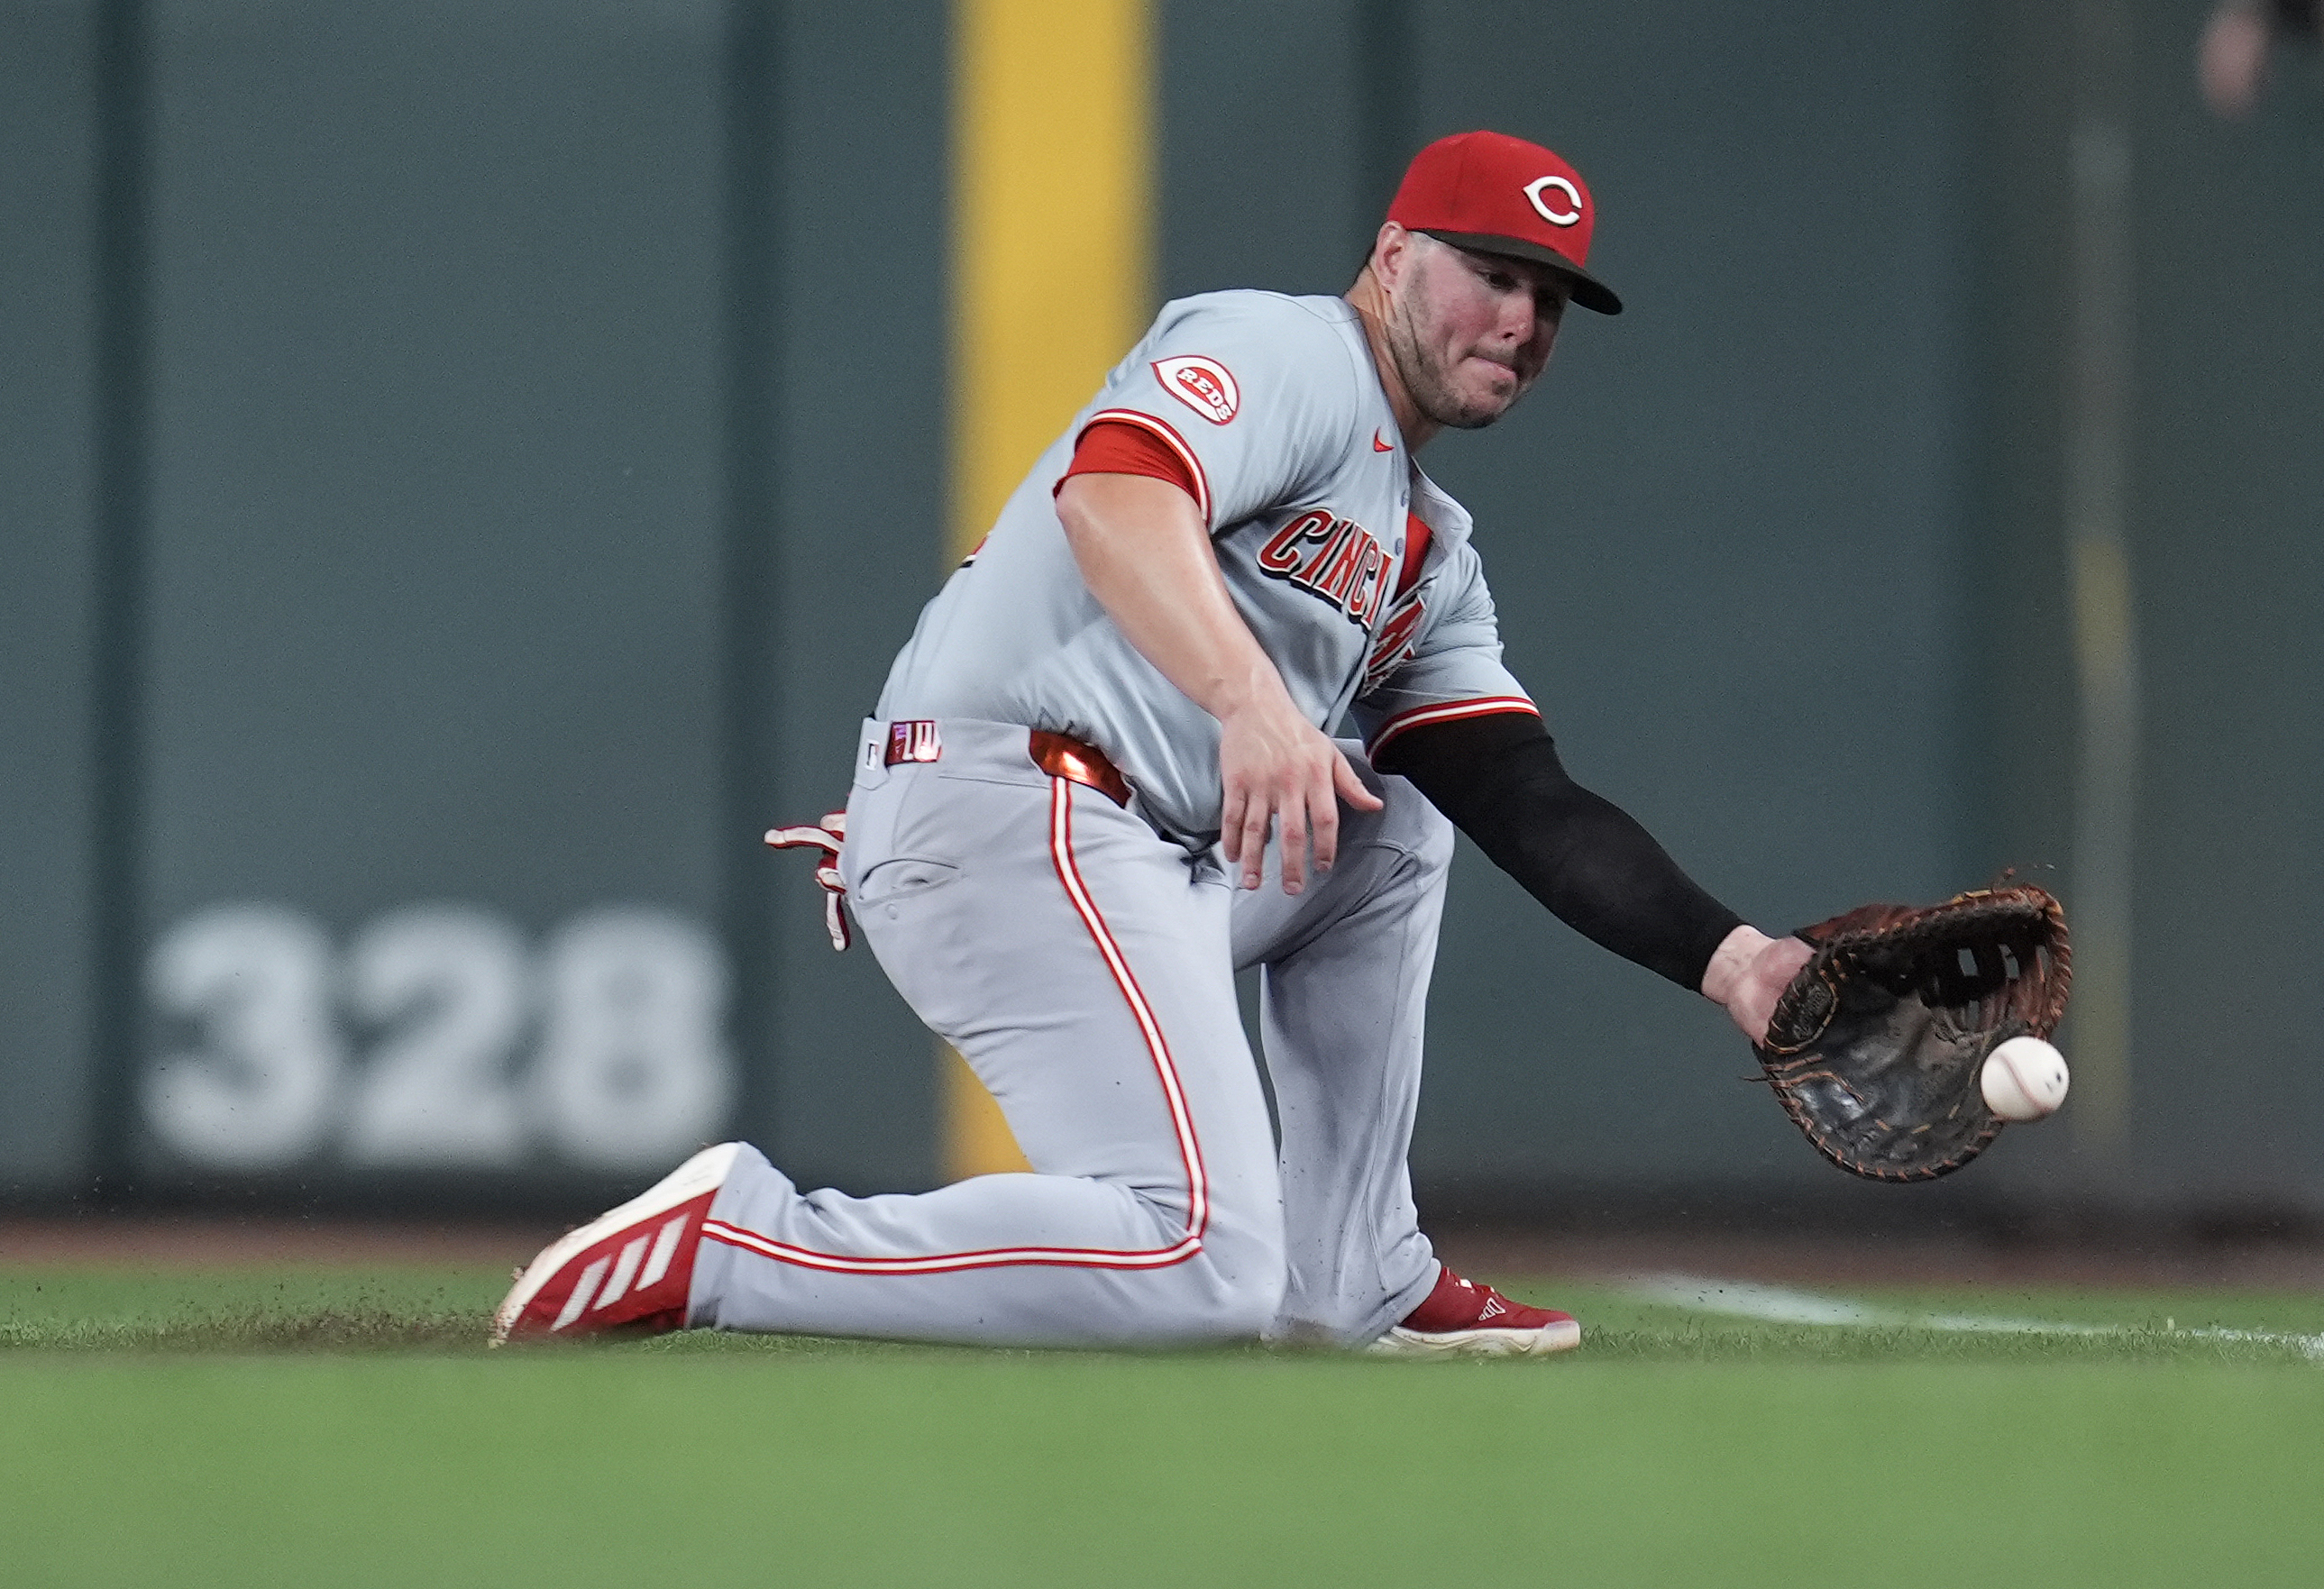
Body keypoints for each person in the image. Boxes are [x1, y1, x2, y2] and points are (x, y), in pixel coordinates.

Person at [495, 130, 1812, 1356]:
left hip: (1138, 849)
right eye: (1490, 275)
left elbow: (1524, 798)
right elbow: (1115, 495)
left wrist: (1740, 965)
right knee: (1195, 1262)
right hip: (1024, 807)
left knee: (1399, 820)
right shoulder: (1291, 356)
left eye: (1549, 299)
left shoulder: (1429, 550)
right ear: (1396, 254)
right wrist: (1251, 707)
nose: (1521, 323)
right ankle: (738, 1243)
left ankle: (1354, 1267)